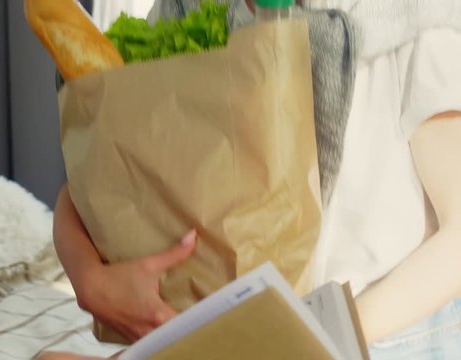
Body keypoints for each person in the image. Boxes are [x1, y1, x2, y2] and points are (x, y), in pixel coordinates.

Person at [45, 0, 461, 358]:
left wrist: (311, 338)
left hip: (375, 335)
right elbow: (101, 181)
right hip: (239, 327)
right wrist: (90, 279)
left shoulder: (419, 20)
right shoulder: (189, 11)